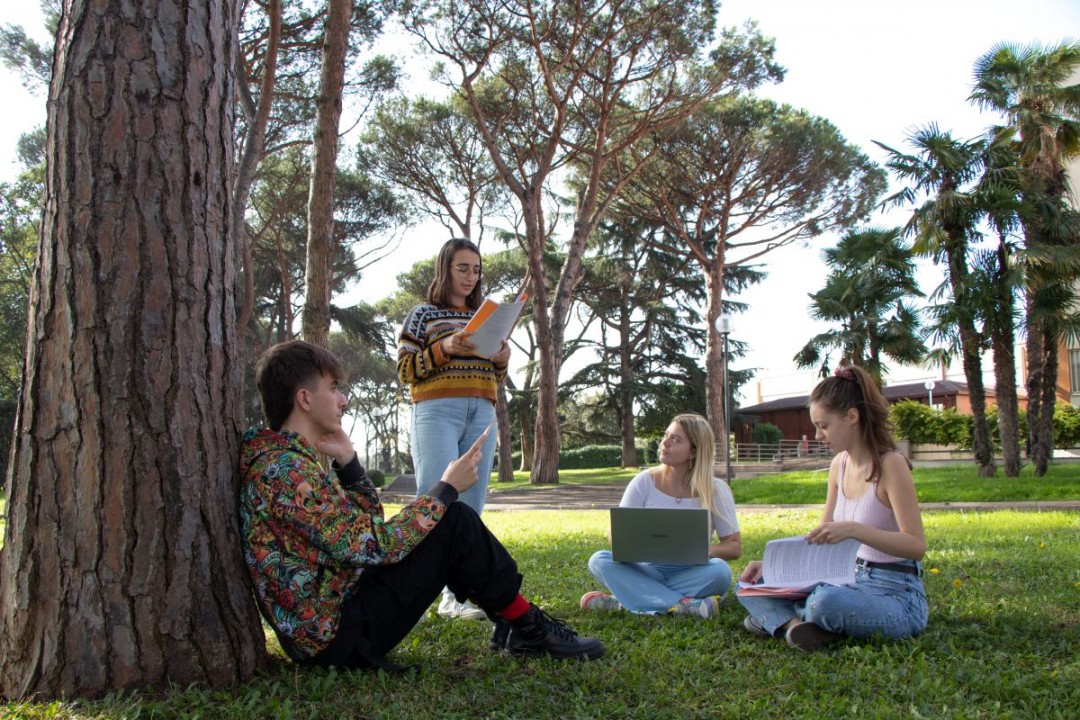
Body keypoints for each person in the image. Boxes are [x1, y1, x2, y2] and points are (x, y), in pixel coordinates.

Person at [239, 340, 605, 670]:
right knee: (453, 520)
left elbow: (362, 528)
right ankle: (526, 625)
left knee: (452, 519)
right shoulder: (284, 471)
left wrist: (349, 465)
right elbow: (377, 545)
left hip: (338, 614)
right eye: (333, 388)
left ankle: (516, 622)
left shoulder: (287, 461)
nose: (343, 400)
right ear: (304, 399)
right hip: (334, 637)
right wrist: (445, 489)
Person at [737, 364, 929, 652]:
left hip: (896, 593)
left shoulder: (891, 465)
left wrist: (854, 530)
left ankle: (775, 620)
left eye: (823, 425)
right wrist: (772, 570)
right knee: (749, 584)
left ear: (851, 416)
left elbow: (915, 545)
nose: (817, 435)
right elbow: (820, 538)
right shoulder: (838, 465)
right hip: (846, 578)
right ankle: (794, 628)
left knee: (823, 602)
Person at [397, 237, 511, 620]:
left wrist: (502, 359)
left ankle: (454, 598)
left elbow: (494, 371)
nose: (470, 276)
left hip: (482, 409)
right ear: (444, 267)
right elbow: (405, 370)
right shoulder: (423, 315)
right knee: (435, 498)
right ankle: (412, 591)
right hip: (436, 410)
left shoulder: (486, 315)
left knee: (472, 507)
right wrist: (446, 348)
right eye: (462, 267)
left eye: (476, 270)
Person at [581, 413, 742, 618]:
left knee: (720, 572)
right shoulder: (644, 482)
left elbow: (734, 546)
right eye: (666, 435)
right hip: (647, 569)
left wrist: (698, 550)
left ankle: (626, 600)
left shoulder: (716, 490)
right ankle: (682, 605)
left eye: (676, 439)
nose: (664, 443)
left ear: (693, 451)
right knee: (598, 560)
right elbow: (616, 535)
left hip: (693, 571)